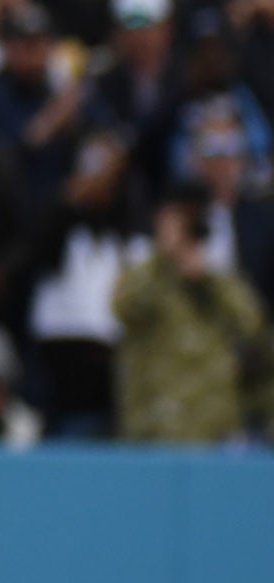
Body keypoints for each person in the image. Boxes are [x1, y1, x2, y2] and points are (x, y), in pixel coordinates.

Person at [112, 184, 270, 443]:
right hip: (151, 423)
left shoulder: (218, 276)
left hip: (211, 423)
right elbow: (122, 308)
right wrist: (163, 258)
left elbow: (252, 324)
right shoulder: (144, 270)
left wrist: (204, 278)